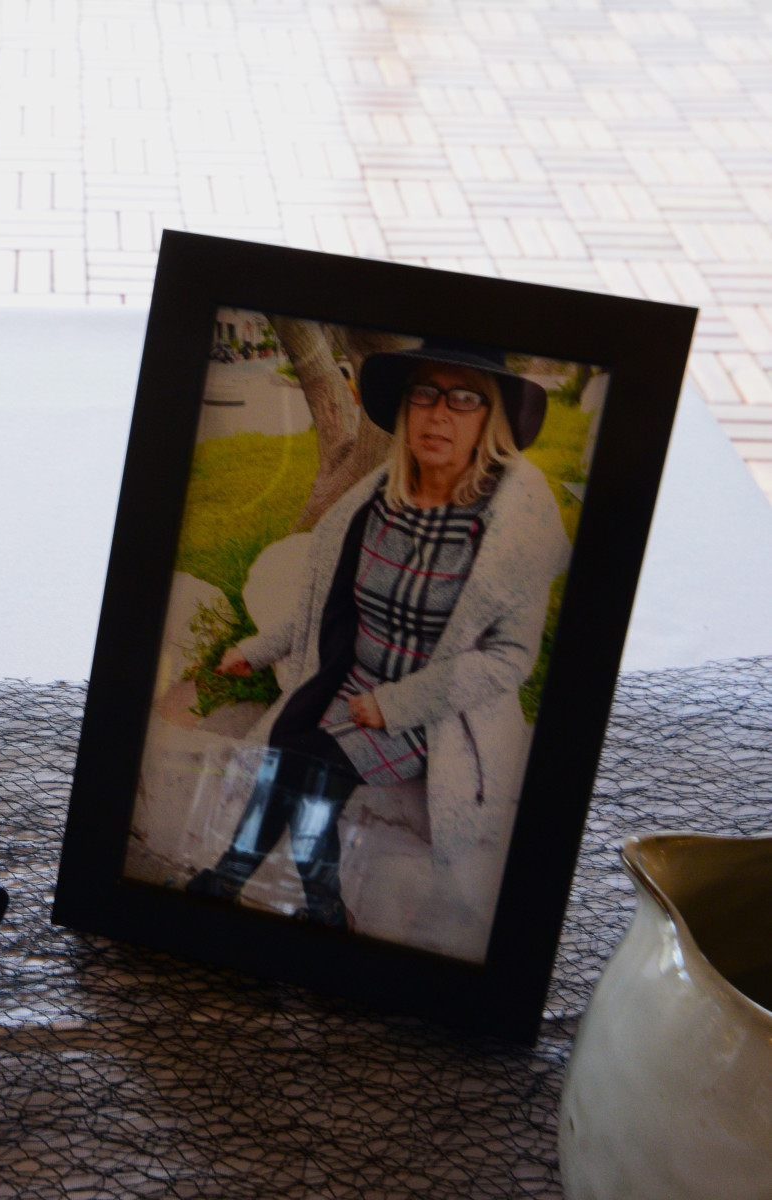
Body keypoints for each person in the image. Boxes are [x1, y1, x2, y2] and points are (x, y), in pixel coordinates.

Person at [185, 338, 568, 932]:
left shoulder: (512, 527)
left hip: (435, 712)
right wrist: (259, 650)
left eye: (464, 398)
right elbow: (328, 608)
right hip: (350, 681)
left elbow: (508, 660)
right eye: (425, 394)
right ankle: (258, 892)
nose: (438, 413)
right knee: (290, 755)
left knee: (307, 765)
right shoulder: (375, 504)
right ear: (407, 407)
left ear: (490, 418)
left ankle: (289, 901)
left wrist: (395, 704)